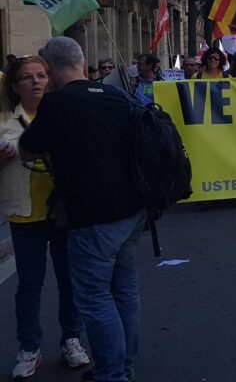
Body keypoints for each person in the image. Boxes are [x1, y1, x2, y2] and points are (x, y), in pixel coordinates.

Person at [19, 38, 146, 382]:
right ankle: (124, 368)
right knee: (124, 292)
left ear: (49, 66)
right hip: (132, 211)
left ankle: (111, 374)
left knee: (94, 298)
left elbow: (27, 150)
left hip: (92, 216)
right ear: (82, 61)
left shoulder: (57, 103)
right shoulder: (118, 95)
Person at [1, 56, 90, 379]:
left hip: (65, 211)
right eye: (27, 77)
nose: (36, 82)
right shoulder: (4, 123)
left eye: (41, 75)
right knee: (29, 285)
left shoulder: (64, 114)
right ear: (15, 86)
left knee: (70, 281)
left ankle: (71, 339)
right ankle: (29, 346)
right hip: (25, 214)